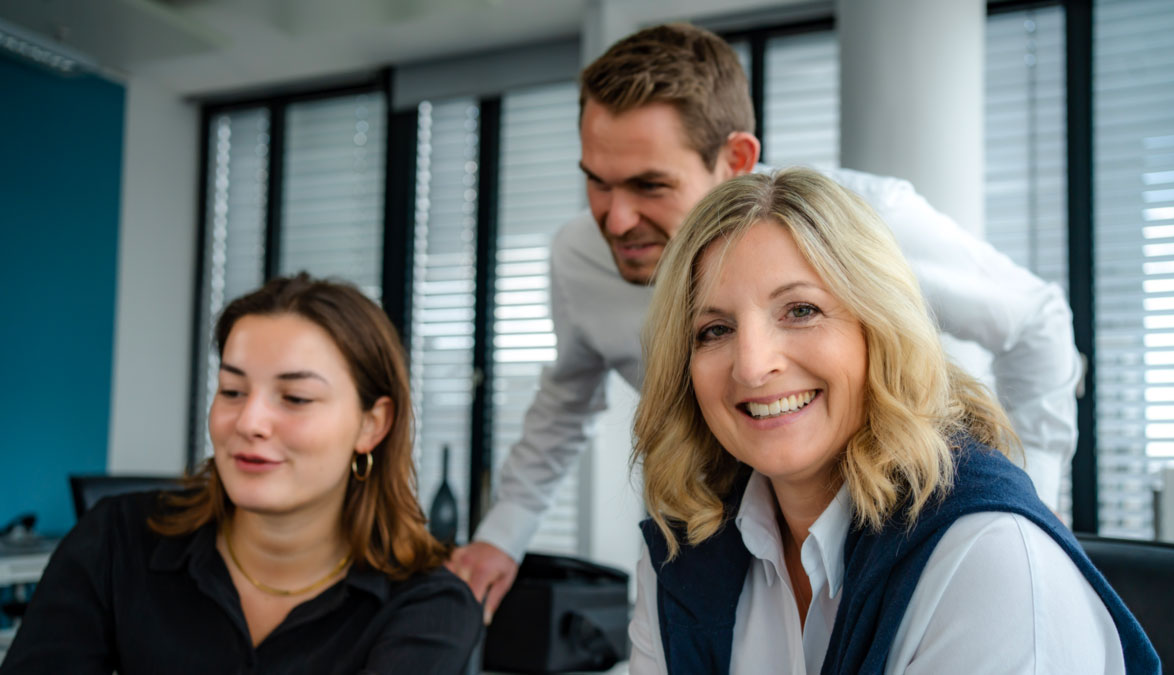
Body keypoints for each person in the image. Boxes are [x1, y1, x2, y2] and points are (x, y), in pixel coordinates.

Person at [449, 22, 1082, 621]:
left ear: (736, 158)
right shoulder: (577, 257)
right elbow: (565, 399)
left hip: (901, 513)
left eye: (649, 185)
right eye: (597, 182)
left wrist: (1028, 503)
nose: (615, 220)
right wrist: (501, 538)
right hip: (731, 532)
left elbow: (1037, 323)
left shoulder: (854, 224)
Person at [628, 168, 1155, 674]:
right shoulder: (677, 559)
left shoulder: (988, 560)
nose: (751, 364)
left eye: (801, 310)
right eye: (715, 330)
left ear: (879, 328)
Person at [0, 274, 481, 675]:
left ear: (372, 424)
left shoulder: (428, 609)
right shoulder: (116, 538)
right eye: (232, 391)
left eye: (295, 398)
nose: (249, 422)